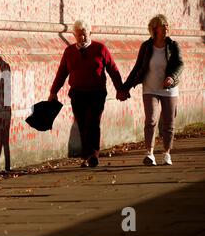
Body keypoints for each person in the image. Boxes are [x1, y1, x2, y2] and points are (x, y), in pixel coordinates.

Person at [49, 20, 128, 168]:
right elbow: (62, 73)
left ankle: (93, 154)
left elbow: (112, 69)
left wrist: (120, 89)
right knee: (82, 124)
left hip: (96, 93)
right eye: (79, 35)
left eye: (84, 35)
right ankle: (86, 155)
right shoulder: (70, 51)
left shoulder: (100, 48)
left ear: (89, 33)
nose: (82, 38)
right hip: (77, 94)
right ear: (74, 35)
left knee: (93, 122)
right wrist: (53, 92)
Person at [122, 14, 184, 166]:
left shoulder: (173, 45)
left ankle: (166, 153)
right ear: (154, 29)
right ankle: (149, 154)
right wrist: (125, 87)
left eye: (167, 25)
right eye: (163, 26)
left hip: (169, 89)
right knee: (151, 120)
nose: (166, 28)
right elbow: (137, 67)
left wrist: (172, 78)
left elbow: (180, 65)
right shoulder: (146, 46)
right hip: (150, 88)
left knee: (168, 123)